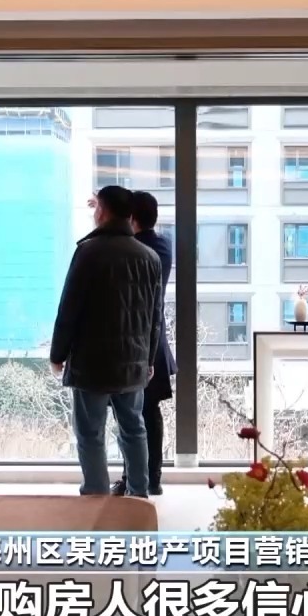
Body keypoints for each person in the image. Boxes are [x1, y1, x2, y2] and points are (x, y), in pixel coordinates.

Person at [51, 185, 162, 498]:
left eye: (96, 206)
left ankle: (96, 497)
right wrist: (149, 359)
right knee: (134, 429)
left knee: (90, 433)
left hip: (92, 363)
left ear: (104, 211)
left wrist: (58, 354)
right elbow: (155, 317)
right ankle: (138, 496)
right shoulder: (150, 257)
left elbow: (69, 308)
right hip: (134, 361)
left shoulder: (88, 252)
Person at [110, 191, 175, 497]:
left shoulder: (136, 250)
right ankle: (151, 478)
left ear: (131, 218)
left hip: (138, 343)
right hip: (154, 342)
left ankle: (135, 478)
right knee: (148, 412)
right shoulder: (163, 246)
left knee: (131, 416)